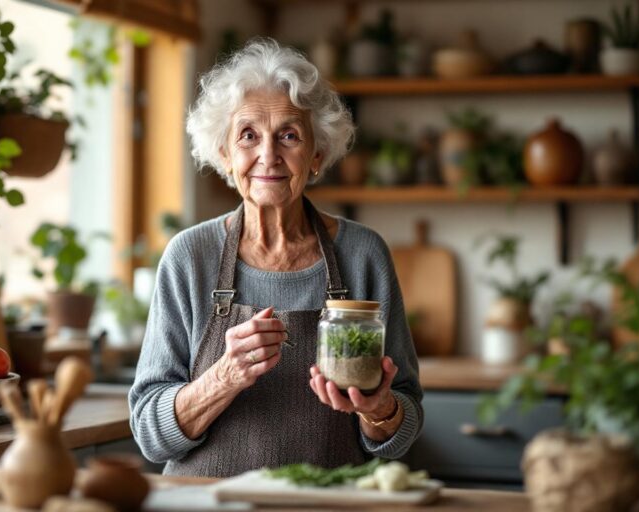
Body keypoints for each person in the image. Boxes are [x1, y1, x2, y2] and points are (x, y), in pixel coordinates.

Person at [129, 39, 423, 477]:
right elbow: (151, 436)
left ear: (316, 155)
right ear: (225, 155)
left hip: (325, 503)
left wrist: (379, 409)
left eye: (289, 135)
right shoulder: (189, 256)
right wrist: (224, 376)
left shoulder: (363, 254)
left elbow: (404, 425)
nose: (268, 156)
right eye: (248, 135)